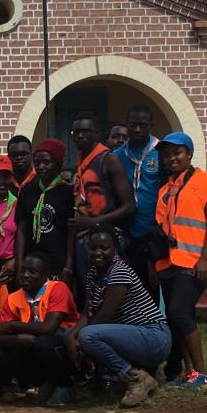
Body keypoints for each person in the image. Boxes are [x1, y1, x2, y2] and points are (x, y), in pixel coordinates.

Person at [66, 227, 170, 408]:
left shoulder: (119, 271)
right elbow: (89, 311)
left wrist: (81, 339)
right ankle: (100, 379)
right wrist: (72, 336)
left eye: (104, 248)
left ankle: (136, 378)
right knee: (70, 334)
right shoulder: (93, 273)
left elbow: (106, 314)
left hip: (153, 336)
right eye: (93, 248)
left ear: (115, 248)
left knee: (88, 336)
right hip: (131, 335)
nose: (97, 253)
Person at [154, 132, 207, 387]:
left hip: (194, 261)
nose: (172, 158)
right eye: (166, 155)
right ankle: (190, 372)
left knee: (178, 312)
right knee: (178, 317)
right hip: (168, 263)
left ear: (189, 153)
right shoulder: (165, 189)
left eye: (177, 152)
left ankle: (202, 373)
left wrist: (204, 258)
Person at [0, 253, 79, 406]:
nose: (25, 275)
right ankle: (13, 385)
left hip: (62, 344)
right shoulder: (14, 298)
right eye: (23, 270)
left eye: (32, 272)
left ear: (46, 274)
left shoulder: (58, 288)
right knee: (0, 353)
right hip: (32, 346)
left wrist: (13, 325)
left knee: (43, 343)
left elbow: (48, 328)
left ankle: (65, 385)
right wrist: (17, 339)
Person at [70, 113, 136, 291]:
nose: (80, 136)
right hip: (83, 238)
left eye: (85, 131)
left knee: (108, 292)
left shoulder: (109, 160)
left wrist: (92, 222)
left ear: (97, 133)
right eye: (76, 132)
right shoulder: (79, 163)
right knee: (89, 293)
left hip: (106, 240)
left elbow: (129, 206)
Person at [115, 104, 166, 295]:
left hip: (156, 231)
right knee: (131, 289)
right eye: (133, 124)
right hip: (128, 232)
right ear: (126, 124)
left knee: (154, 290)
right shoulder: (117, 156)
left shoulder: (161, 152)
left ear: (151, 125)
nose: (137, 129)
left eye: (142, 125)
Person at [15, 139, 74, 280]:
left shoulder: (68, 192)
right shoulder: (27, 190)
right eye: (37, 163)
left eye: (46, 162)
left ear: (57, 163)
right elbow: (21, 230)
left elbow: (71, 231)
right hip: (31, 262)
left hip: (58, 262)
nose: (41, 166)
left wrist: (69, 266)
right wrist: (19, 266)